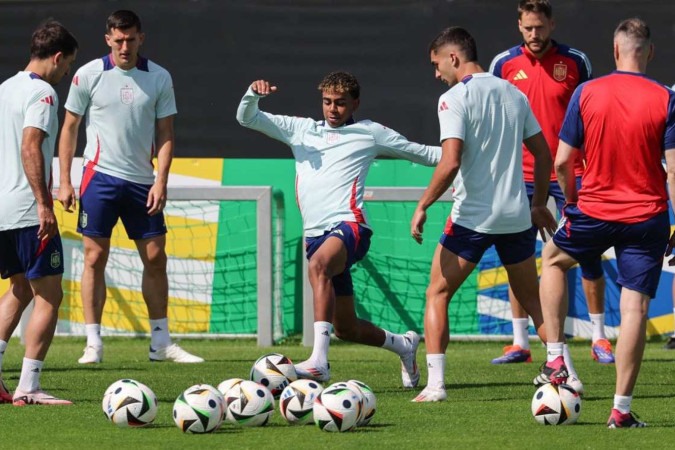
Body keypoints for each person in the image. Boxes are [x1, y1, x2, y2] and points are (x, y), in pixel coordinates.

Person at [237, 71, 441, 387]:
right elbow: (247, 119)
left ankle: (319, 362)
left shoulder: (369, 133)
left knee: (318, 266)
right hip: (317, 235)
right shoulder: (301, 130)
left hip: (352, 227)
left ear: (355, 103)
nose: (333, 109)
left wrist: (471, 154)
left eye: (341, 103)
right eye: (327, 102)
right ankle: (404, 345)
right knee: (345, 328)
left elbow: (426, 154)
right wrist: (253, 93)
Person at [536, 18, 675, 428]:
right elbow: (673, 172)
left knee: (553, 259)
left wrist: (573, 202)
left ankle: (556, 357)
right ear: (649, 52)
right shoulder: (666, 97)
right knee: (634, 307)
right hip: (647, 217)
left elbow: (562, 161)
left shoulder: (586, 92)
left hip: (593, 211)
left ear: (614, 52)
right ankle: (621, 409)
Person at [410, 26, 558, 402]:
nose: (435, 73)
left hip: (473, 219)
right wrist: (538, 204)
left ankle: (436, 385)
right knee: (535, 300)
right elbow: (544, 155)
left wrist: (424, 204)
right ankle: (563, 370)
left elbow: (450, 161)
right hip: (516, 216)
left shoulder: (453, 98)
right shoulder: (513, 92)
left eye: (436, 64)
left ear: (454, 58)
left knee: (437, 293)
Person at [57, 10, 203, 364]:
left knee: (155, 257)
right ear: (108, 39)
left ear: (141, 38)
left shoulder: (159, 77)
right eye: (118, 40)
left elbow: (166, 134)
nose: (125, 46)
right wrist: (65, 180)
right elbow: (70, 128)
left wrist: (161, 180)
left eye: (131, 39)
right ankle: (93, 342)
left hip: (142, 182)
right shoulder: (88, 74)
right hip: (99, 178)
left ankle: (161, 342)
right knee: (94, 258)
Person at [489, 0, 614, 366]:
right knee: (519, 257)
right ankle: (519, 342)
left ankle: (600, 339)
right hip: (521, 175)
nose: (534, 34)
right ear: (519, 27)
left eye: (540, 28)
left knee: (587, 252)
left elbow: (594, 114)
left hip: (572, 173)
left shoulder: (576, 62)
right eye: (528, 28)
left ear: (552, 25)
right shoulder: (503, 65)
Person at [0, 21, 78, 405]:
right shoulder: (43, 93)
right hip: (29, 210)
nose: (66, 75)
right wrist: (44, 203)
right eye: (67, 67)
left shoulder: (4, 89)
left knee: (18, 289)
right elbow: (31, 148)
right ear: (58, 57)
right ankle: (28, 386)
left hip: (1, 209)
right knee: (49, 295)